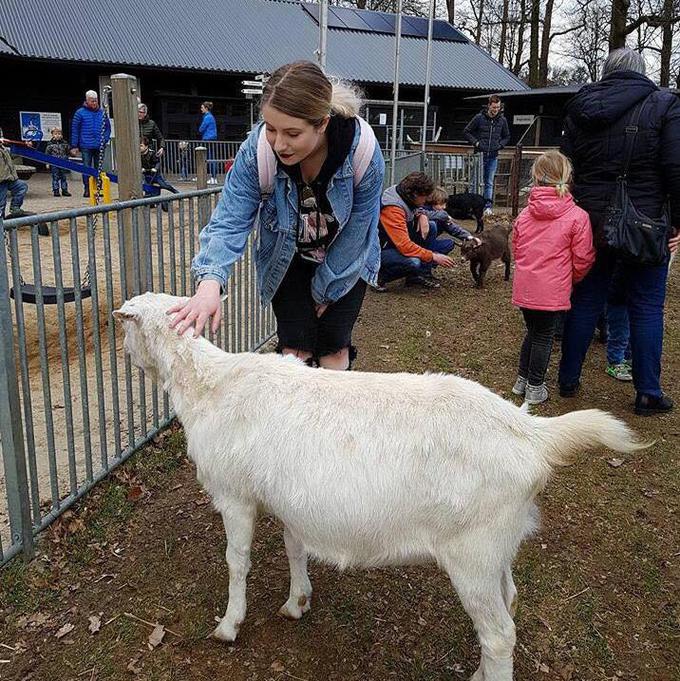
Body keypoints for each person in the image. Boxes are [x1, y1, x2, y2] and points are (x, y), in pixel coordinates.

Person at [169, 61, 384, 371]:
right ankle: (296, 418)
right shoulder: (256, 152)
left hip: (346, 256)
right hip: (288, 255)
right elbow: (231, 217)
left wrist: (327, 288)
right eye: (270, 129)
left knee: (333, 347)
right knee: (294, 351)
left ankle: (330, 418)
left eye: (292, 133)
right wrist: (210, 282)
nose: (279, 143)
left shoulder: (363, 151)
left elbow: (360, 227)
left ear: (322, 123)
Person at [558, 48, 680, 416]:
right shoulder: (665, 104)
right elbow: (675, 167)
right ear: (641, 72)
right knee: (645, 306)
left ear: (606, 72)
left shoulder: (580, 107)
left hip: (589, 221)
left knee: (587, 298)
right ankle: (648, 392)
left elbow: (564, 167)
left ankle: (567, 379)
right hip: (644, 222)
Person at [511, 150, 595, 405]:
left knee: (532, 332)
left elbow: (517, 247)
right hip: (553, 289)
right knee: (544, 336)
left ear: (536, 177)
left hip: (526, 287)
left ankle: (521, 381)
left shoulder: (525, 215)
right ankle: (535, 386)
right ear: (567, 177)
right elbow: (584, 257)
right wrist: (572, 278)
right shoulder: (578, 217)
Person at [378, 172, 456, 291]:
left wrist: (422, 214)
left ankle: (418, 275)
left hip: (394, 242)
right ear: (415, 194)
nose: (427, 200)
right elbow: (405, 246)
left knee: (431, 226)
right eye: (425, 197)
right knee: (413, 262)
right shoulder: (393, 209)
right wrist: (433, 256)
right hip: (381, 250)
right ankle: (379, 277)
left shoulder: (403, 194)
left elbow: (416, 209)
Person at [464, 94, 510, 216]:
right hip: (479, 154)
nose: (495, 110)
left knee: (489, 181)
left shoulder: (502, 120)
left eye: (498, 107)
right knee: (475, 181)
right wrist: (476, 142)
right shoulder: (479, 118)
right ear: (489, 105)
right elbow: (467, 131)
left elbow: (507, 136)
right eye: (494, 107)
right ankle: (472, 206)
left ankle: (488, 206)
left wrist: (500, 145)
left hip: (493, 155)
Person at [70, 90, 111, 198]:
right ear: (87, 101)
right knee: (86, 168)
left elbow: (107, 128)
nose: (94, 103)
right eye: (92, 101)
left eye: (95, 101)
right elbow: (75, 129)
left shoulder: (102, 113)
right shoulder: (79, 113)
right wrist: (74, 146)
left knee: (99, 168)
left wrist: (105, 139)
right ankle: (87, 188)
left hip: (99, 145)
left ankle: (98, 188)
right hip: (86, 145)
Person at [0, 139, 29, 218]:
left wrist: (25, 145)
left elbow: (15, 153)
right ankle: (1, 225)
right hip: (1, 181)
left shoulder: (4, 149)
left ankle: (15, 207)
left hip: (9, 178)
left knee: (22, 186)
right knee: (1, 203)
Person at [45, 127, 71, 197]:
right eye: (55, 134)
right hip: (54, 163)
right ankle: (56, 190)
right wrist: (47, 163)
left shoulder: (65, 143)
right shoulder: (50, 145)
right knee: (55, 177)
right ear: (52, 135)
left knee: (63, 176)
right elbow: (47, 154)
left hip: (63, 162)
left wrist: (68, 159)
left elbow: (68, 152)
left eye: (59, 134)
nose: (57, 135)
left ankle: (64, 190)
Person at [198, 101, 218, 184]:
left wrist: (200, 129)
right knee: (211, 157)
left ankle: (211, 177)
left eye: (202, 108)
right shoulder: (211, 117)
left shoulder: (207, 117)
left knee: (207, 157)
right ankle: (213, 177)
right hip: (212, 138)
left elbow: (201, 129)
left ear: (206, 108)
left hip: (207, 138)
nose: (201, 109)